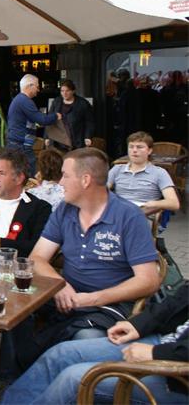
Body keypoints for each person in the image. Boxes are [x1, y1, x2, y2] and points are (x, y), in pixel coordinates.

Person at [16, 148, 161, 368]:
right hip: (66, 298)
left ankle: (72, 383)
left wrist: (92, 299)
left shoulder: (129, 216)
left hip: (109, 306)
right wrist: (60, 285)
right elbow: (37, 257)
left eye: (65, 175)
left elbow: (148, 281)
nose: (60, 182)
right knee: (15, 308)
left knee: (85, 339)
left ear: (85, 180)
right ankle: (15, 373)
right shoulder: (64, 210)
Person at [2, 282, 188, 405]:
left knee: (74, 379)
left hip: (178, 378)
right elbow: (180, 299)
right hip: (167, 340)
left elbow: (148, 280)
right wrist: (137, 324)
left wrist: (157, 354)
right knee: (61, 354)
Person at [107, 131, 179, 216]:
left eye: (139, 147)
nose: (134, 150)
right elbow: (101, 191)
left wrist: (154, 204)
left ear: (149, 151)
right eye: (131, 147)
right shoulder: (117, 169)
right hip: (118, 211)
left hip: (144, 214)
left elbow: (174, 203)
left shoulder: (159, 173)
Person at [7, 74, 61, 175]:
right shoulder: (24, 100)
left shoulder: (19, 99)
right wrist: (56, 116)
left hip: (18, 144)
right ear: (30, 86)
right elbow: (41, 119)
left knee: (22, 174)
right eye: (37, 86)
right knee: (31, 174)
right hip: (21, 145)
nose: (38, 90)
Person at [46, 79, 95, 150]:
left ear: (73, 91)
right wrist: (47, 137)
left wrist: (88, 136)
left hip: (76, 140)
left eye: (67, 91)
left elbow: (89, 121)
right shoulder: (56, 102)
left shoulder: (83, 103)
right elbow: (49, 120)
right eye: (62, 91)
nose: (64, 93)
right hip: (58, 141)